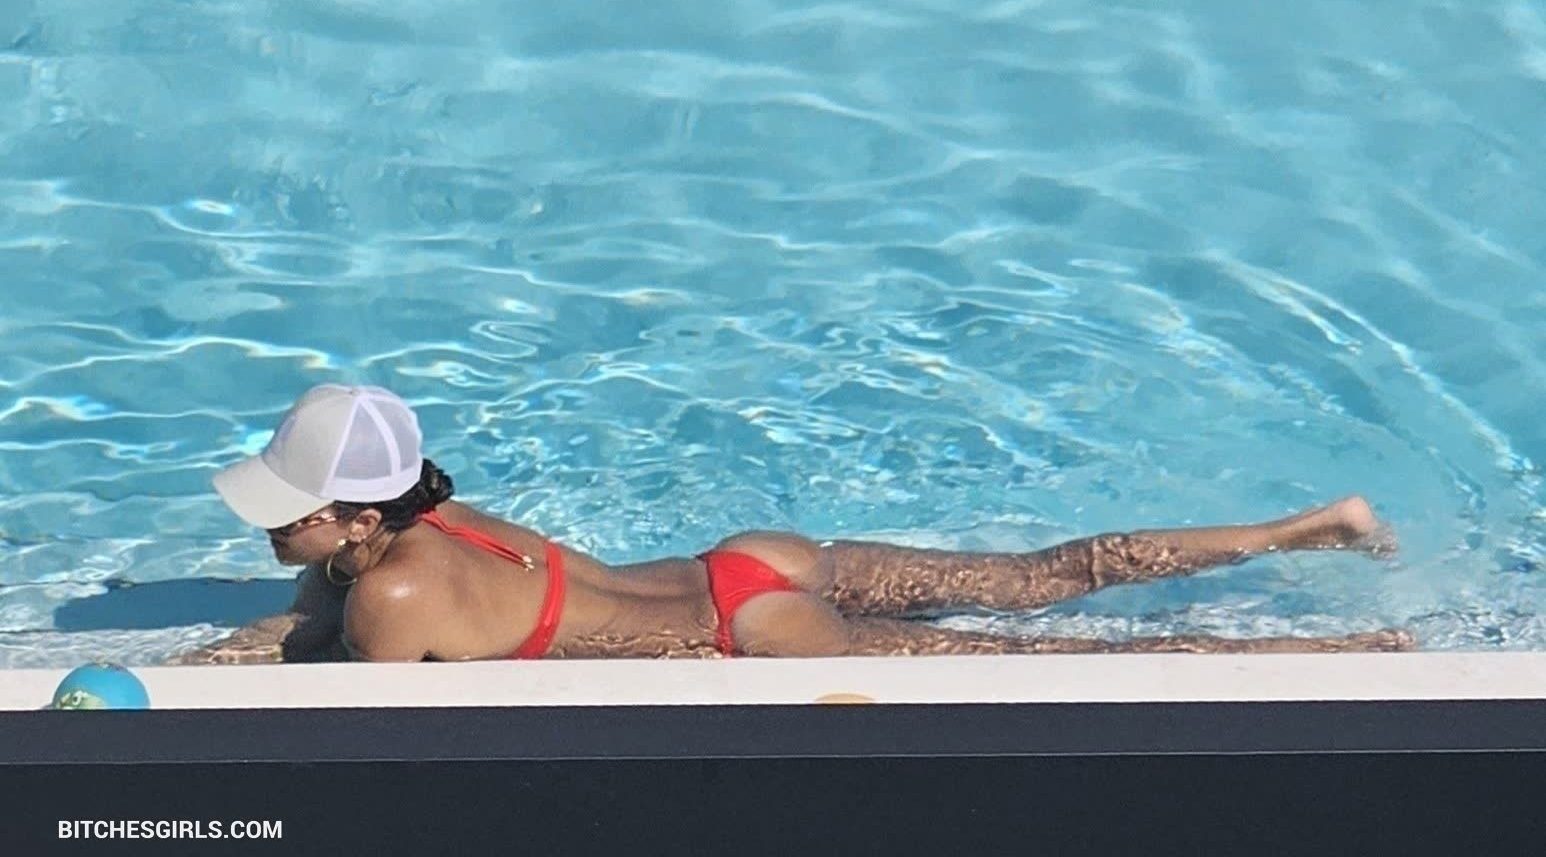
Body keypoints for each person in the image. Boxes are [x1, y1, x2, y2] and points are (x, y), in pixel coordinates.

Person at [169, 384, 1413, 664]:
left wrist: (230, 662)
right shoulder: (437, 519)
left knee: (1058, 662)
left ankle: (1344, 659)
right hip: (747, 564)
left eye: (283, 512)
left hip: (751, 635)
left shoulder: (391, 593)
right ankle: (1309, 525)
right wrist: (245, 639)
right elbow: (323, 607)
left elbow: (350, 680)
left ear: (352, 514)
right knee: (1044, 576)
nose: (267, 529)